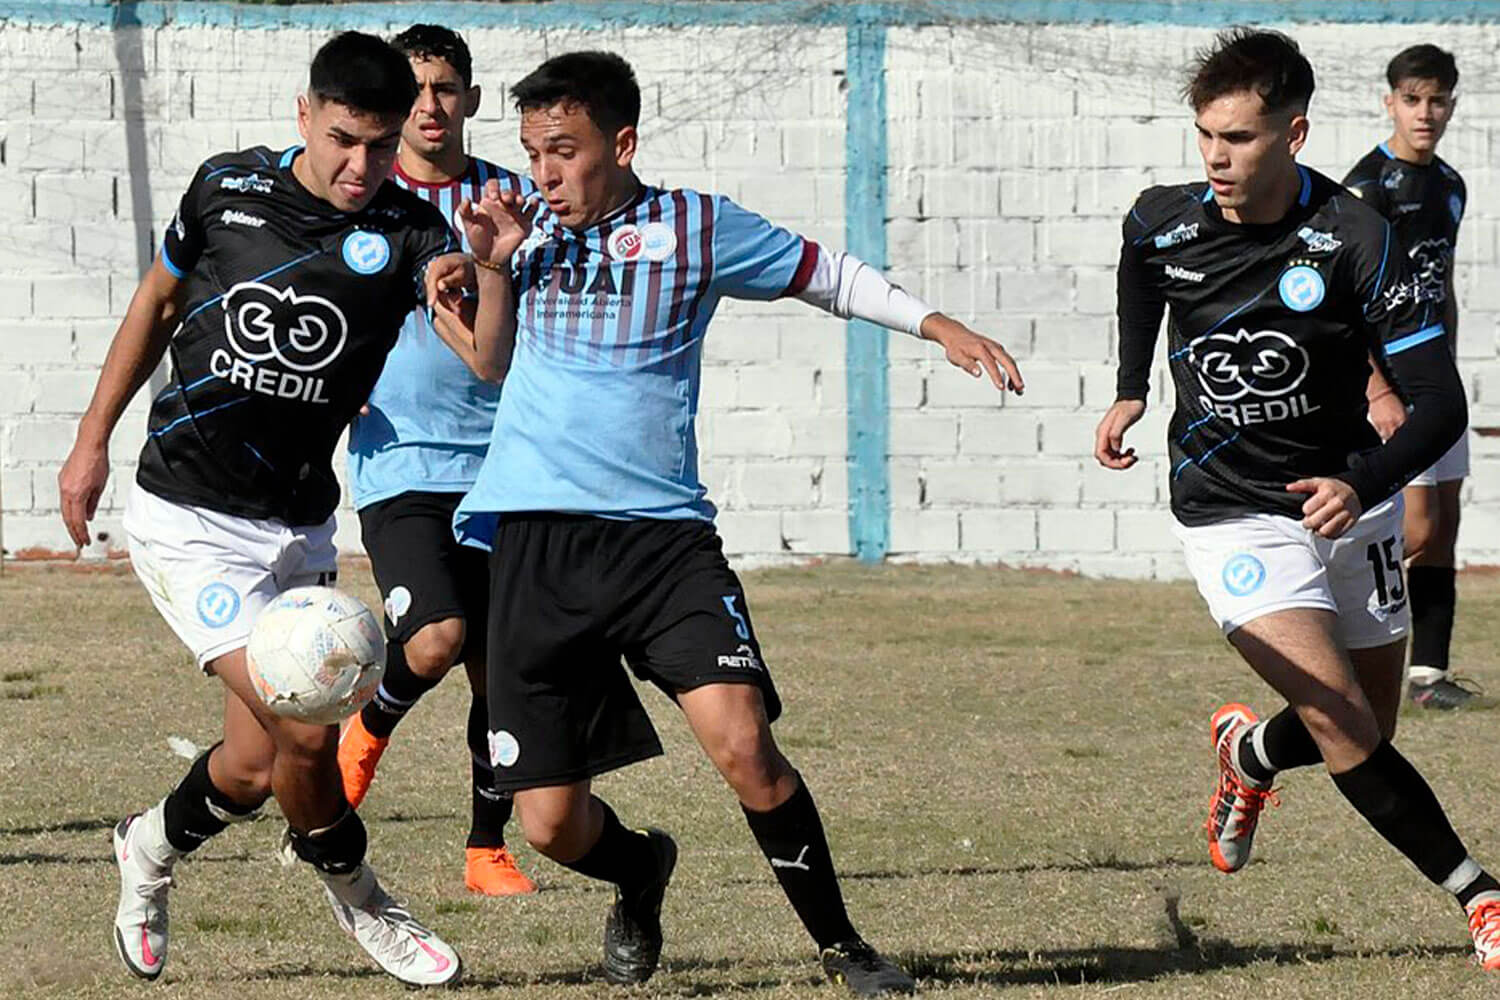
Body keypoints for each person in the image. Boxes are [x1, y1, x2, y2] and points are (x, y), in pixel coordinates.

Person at [449, 51, 1023, 997]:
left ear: (621, 142)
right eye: (531, 153)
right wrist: (489, 266)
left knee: (746, 745)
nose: (544, 174)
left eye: (564, 151)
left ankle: (845, 949)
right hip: (537, 545)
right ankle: (640, 872)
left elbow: (824, 275)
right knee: (548, 824)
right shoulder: (516, 233)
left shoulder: (696, 227)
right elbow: (493, 364)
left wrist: (940, 326)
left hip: (662, 543)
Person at [55, 30, 518, 987]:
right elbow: (154, 300)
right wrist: (92, 436)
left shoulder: (409, 235)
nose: (362, 165)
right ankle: (364, 902)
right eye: (345, 138)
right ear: (303, 115)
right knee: (308, 730)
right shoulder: (224, 189)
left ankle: (146, 850)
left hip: (298, 525)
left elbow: (484, 357)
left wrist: (489, 267)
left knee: (255, 763)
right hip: (187, 520)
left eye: (382, 146)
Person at [1092, 27, 1499, 970]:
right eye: (1205, 136)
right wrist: (1130, 385)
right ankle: (1479, 894)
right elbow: (1140, 275)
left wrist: (1362, 481)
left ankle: (1249, 758)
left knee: (1372, 723)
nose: (1215, 159)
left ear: (1295, 134)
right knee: (1345, 722)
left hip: (1353, 501)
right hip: (1228, 506)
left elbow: (1442, 405)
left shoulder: (1358, 236)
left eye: (1238, 139)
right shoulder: (1162, 219)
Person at [339, 22, 535, 897]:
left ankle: (487, 847)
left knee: (500, 664)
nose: (429, 106)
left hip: (504, 462)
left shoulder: (513, 199)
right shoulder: (362, 200)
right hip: (400, 461)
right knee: (436, 639)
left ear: (472, 100)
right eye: (414, 90)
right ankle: (369, 728)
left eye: (446, 89)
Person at [1344, 45, 1474, 709]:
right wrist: (1377, 387)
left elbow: (1441, 281)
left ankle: (1428, 676)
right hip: (1391, 382)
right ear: (1389, 101)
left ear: (1452, 103)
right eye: (1413, 99)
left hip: (1437, 378)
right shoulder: (1366, 188)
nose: (1426, 113)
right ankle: (1338, 630)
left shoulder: (1450, 185)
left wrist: (1448, 370)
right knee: (1414, 529)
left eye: (1438, 100)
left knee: (1444, 523)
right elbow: (1345, 299)